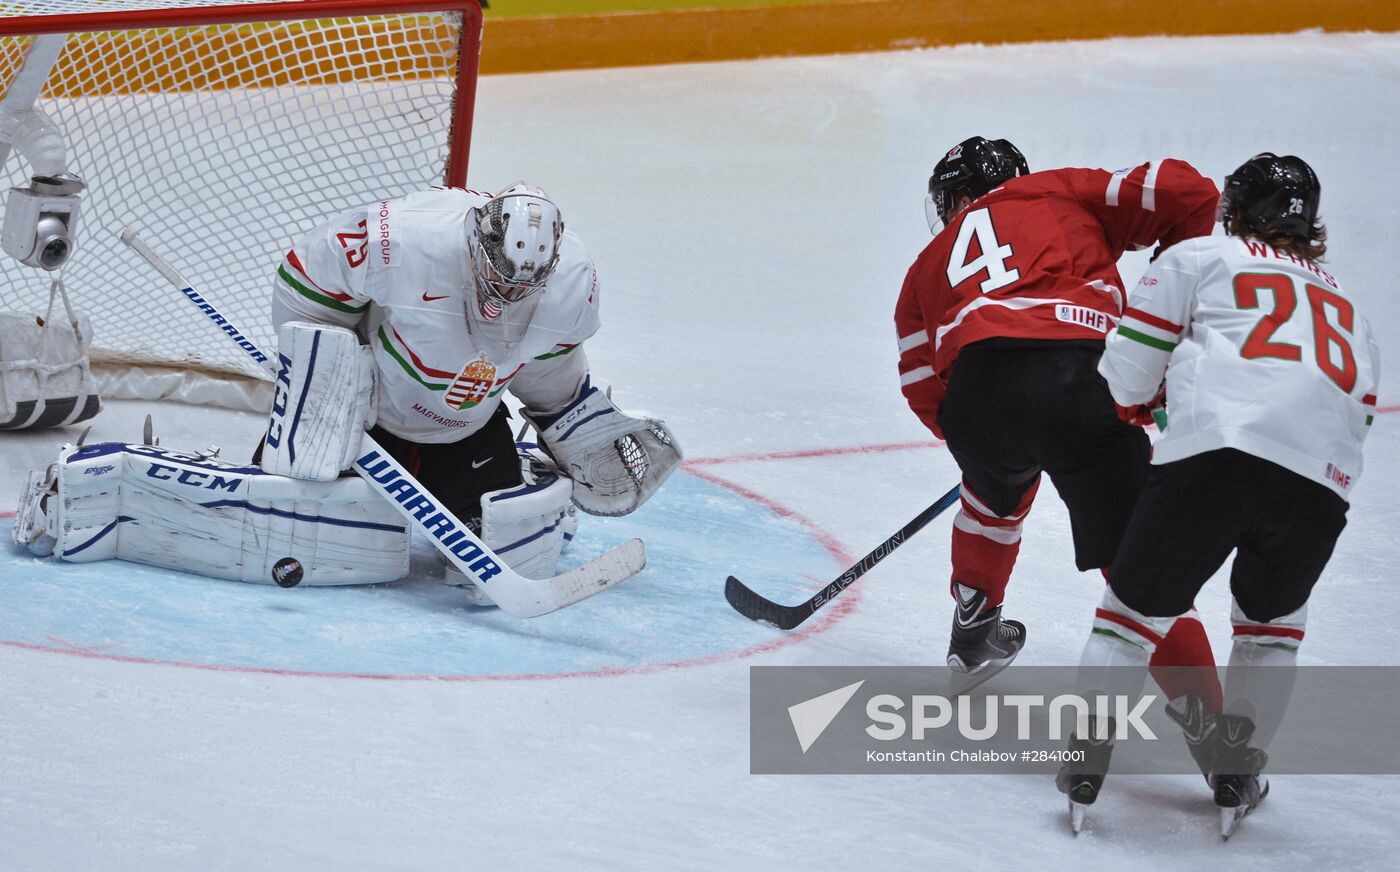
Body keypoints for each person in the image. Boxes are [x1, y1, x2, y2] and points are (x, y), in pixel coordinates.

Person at [1058, 153, 1379, 836]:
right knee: (1271, 629)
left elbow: (1124, 378)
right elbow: (1362, 412)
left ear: (1235, 206)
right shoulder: (1349, 304)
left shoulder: (1201, 255)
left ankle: (1086, 761)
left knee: (1130, 618)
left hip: (1218, 459)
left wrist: (1149, 402)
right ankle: (1236, 768)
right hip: (1322, 487)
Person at [894, 137, 1223, 711]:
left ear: (963, 194)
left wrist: (998, 447)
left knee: (990, 498)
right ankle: (1218, 738)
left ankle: (971, 631)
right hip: (1079, 378)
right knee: (1140, 563)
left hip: (978, 401)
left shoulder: (925, 266)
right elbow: (1189, 190)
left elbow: (922, 384)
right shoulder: (1059, 190)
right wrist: (1171, 285)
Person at [266, 181, 681, 600]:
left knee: (503, 529)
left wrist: (569, 417)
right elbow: (303, 294)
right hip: (365, 417)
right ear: (476, 242)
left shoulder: (574, 281)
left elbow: (548, 364)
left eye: (523, 287)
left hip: (467, 426)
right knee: (298, 501)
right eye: (500, 279)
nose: (508, 294)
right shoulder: (401, 236)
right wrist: (328, 377)